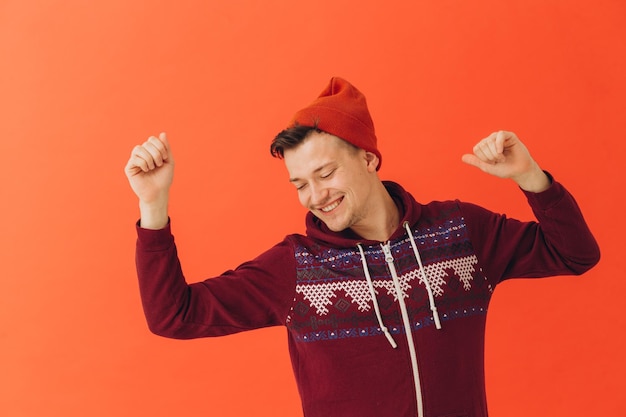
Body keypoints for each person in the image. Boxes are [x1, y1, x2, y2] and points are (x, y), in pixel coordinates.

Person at [124, 77, 600, 417]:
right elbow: (174, 315)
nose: (315, 196)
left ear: (369, 158)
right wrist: (154, 204)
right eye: (299, 184)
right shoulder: (298, 268)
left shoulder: (460, 233)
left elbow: (574, 253)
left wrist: (529, 177)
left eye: (326, 173)